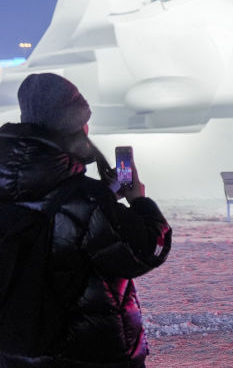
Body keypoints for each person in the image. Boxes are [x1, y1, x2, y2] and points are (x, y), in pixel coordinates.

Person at [0, 73, 171, 366]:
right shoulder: (86, 200)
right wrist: (138, 200)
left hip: (15, 351)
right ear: (74, 127)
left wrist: (104, 197)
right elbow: (148, 249)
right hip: (87, 352)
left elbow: (49, 213)